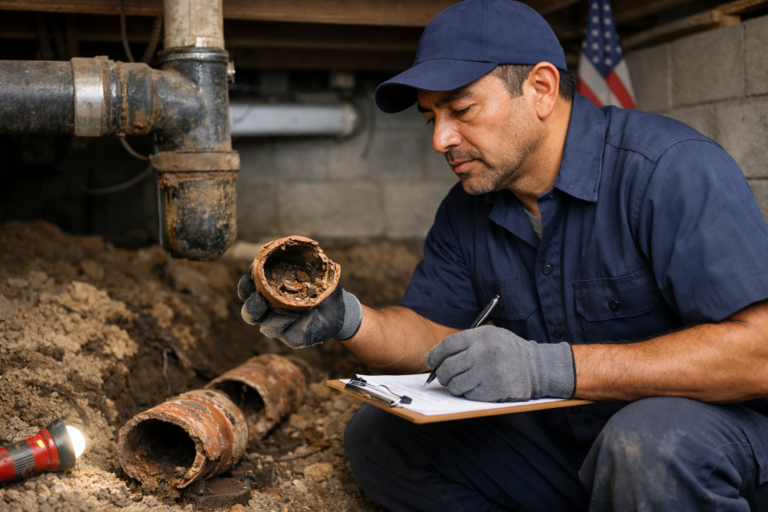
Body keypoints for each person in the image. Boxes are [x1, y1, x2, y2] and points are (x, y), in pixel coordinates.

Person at [236, 0, 768, 510]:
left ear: (541, 89)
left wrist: (546, 368)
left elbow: (758, 353)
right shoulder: (466, 208)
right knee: (383, 438)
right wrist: (348, 318)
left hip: (706, 440)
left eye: (461, 109)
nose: (441, 138)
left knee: (648, 443)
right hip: (574, 443)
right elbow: (433, 336)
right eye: (430, 117)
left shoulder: (669, 170)